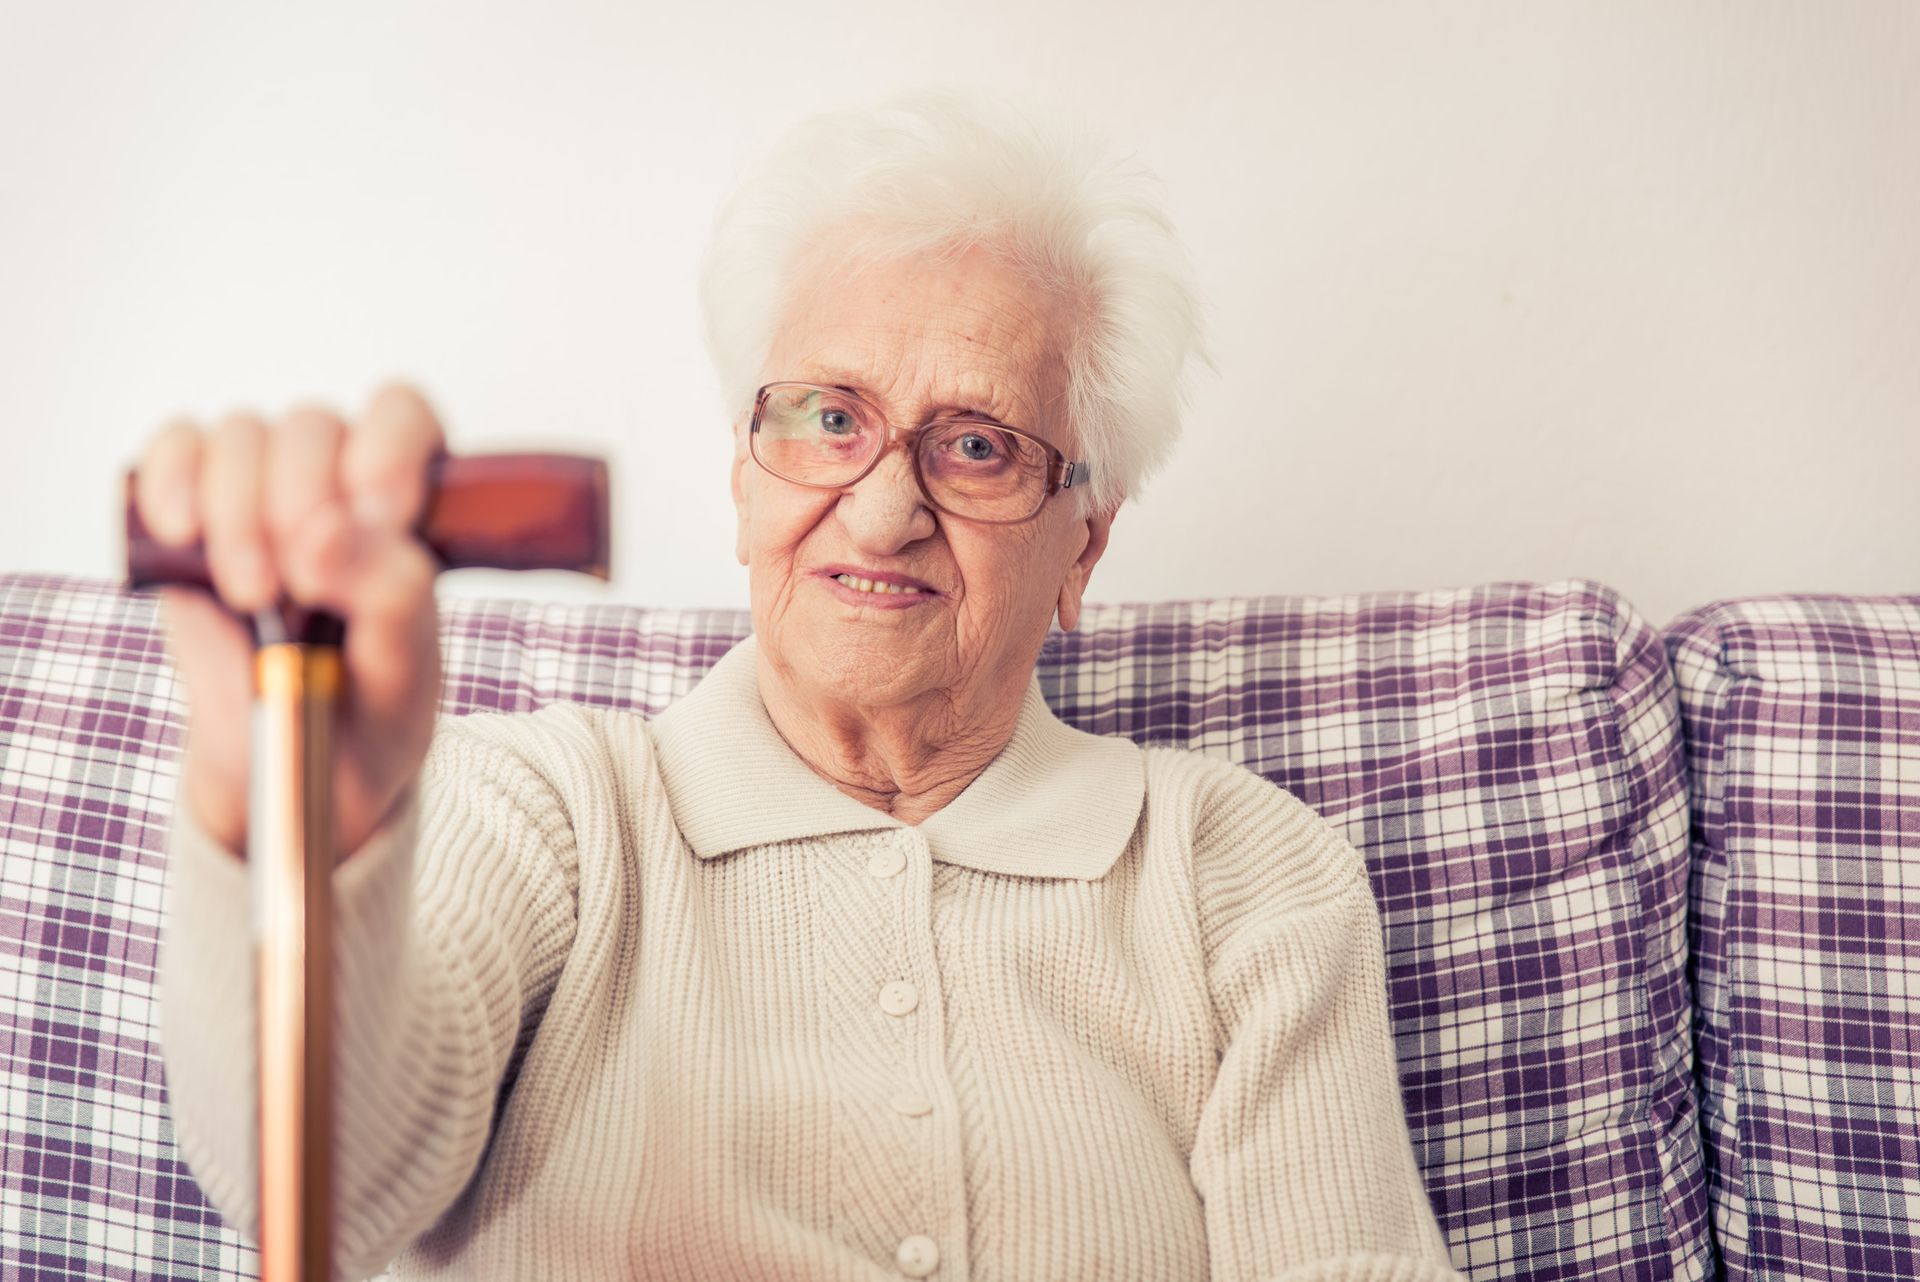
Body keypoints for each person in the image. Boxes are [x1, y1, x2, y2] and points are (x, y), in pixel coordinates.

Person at [139, 90, 1466, 1282]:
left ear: (1087, 541)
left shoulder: (1243, 872)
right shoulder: (549, 806)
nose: (881, 511)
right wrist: (312, 813)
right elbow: (321, 1189)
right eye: (830, 417)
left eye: (980, 443)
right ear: (742, 473)